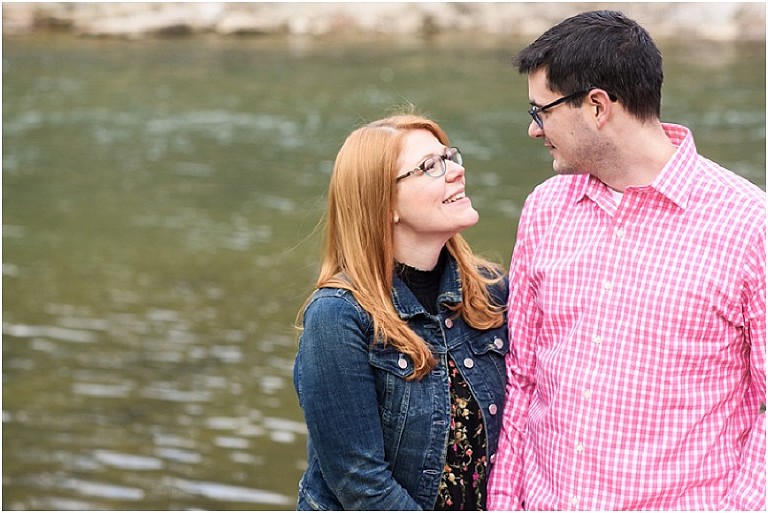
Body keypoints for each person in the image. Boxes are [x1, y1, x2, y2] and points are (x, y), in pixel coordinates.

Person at [487, 10, 766, 511]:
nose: (534, 130)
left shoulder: (749, 224)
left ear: (597, 106)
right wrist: (504, 502)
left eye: (540, 111)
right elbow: (522, 376)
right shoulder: (544, 209)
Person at [293, 112, 510, 510]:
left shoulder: (492, 291)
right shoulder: (338, 317)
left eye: (451, 156)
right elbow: (362, 486)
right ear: (383, 202)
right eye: (431, 167)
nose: (457, 172)